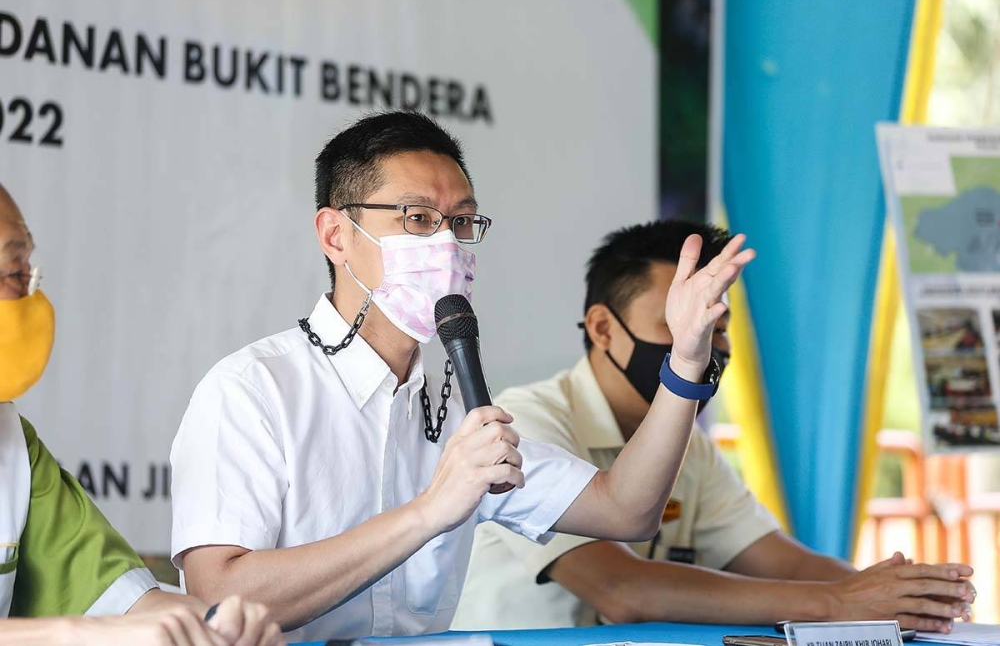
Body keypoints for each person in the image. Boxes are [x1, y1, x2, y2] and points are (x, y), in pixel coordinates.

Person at [169, 111, 755, 641]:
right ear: (335, 235)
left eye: (462, 222)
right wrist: (430, 510)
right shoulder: (254, 389)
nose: (446, 244)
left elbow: (625, 510)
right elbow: (216, 595)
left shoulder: (457, 403)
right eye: (418, 218)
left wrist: (683, 361)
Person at [452, 219, 976, 634]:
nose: (702, 341)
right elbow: (622, 589)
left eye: (715, 325)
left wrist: (907, 594)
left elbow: (782, 563)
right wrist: (840, 602)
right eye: (678, 320)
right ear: (603, 328)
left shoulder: (689, 448)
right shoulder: (527, 421)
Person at [0, 183, 285, 646]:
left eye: (29, 270)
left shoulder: (13, 448)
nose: (30, 293)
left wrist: (218, 627)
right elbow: (103, 626)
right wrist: (74, 634)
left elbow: (126, 604)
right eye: (15, 271)